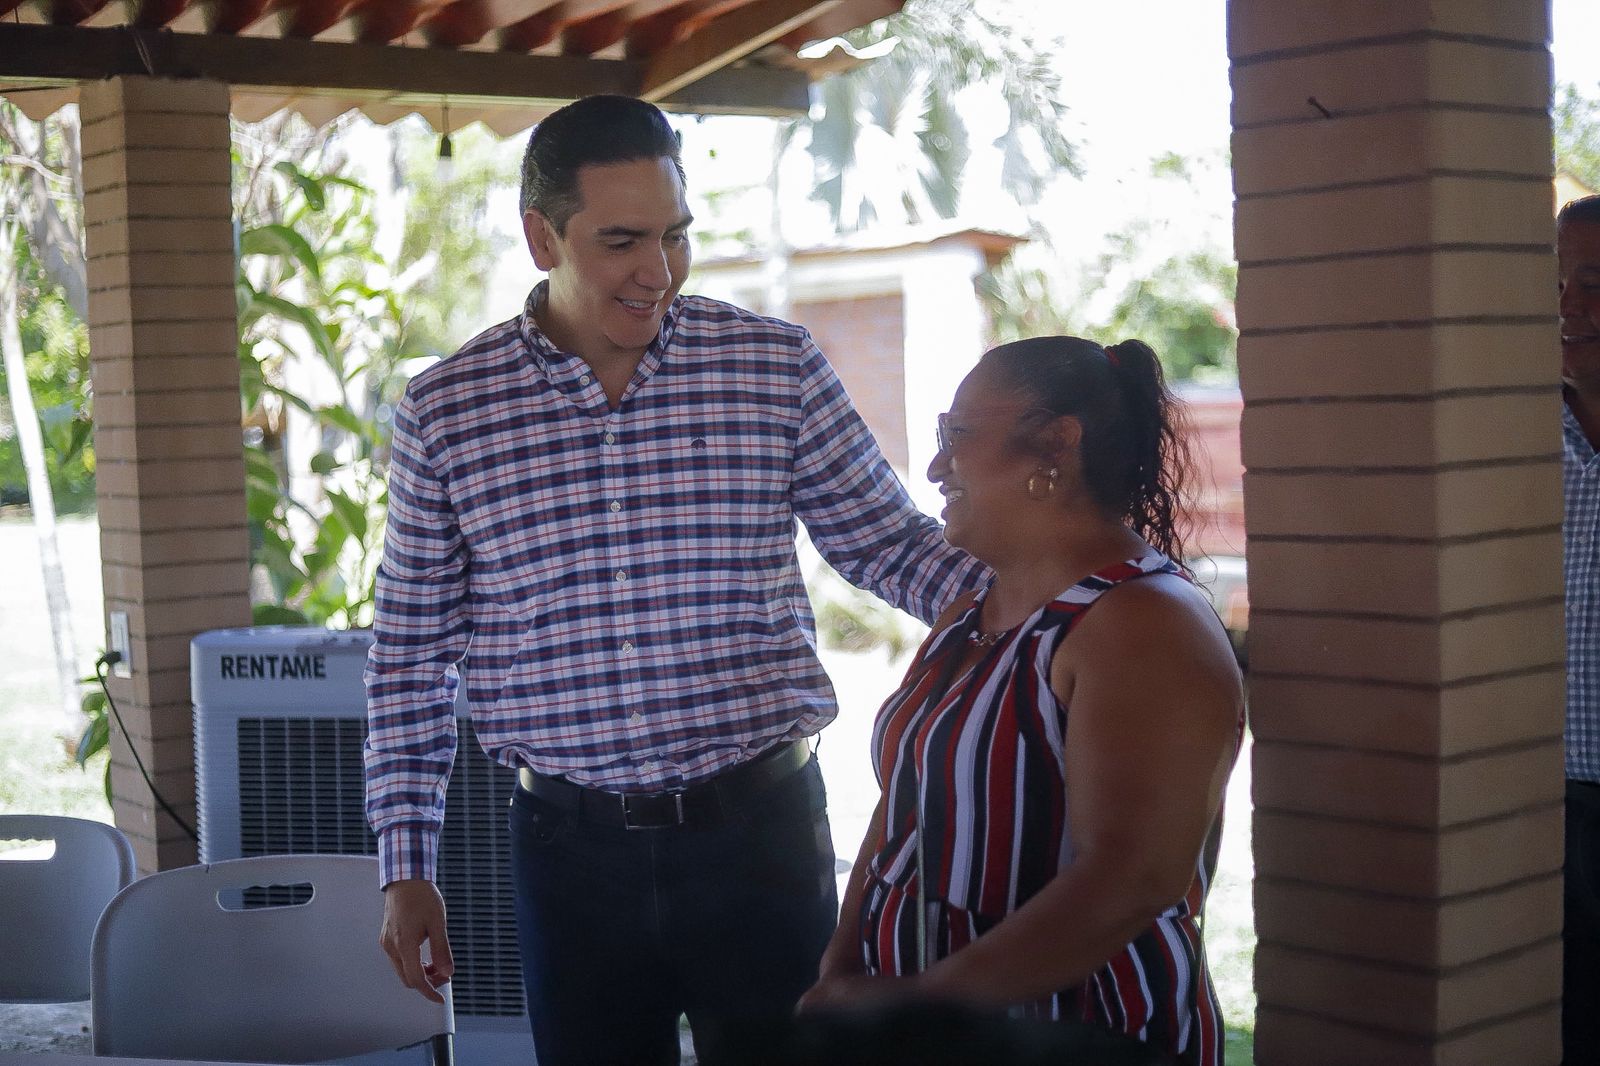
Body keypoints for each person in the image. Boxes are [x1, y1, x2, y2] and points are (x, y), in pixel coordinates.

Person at [362, 94, 983, 1066]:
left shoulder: (772, 367)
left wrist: (1080, 606)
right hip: (567, 855)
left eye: (675, 235)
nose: (657, 270)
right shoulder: (447, 411)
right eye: (621, 241)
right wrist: (406, 868)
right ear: (542, 237)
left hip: (762, 838)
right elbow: (409, 655)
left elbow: (889, 546)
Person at [798, 336, 1244, 1066]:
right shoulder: (974, 608)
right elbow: (905, 803)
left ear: (1056, 446)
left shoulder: (1143, 623)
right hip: (935, 1031)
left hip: (1079, 1036)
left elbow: (1129, 882)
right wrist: (843, 967)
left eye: (958, 435)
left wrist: (918, 1002)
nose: (937, 466)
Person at [1560, 192, 1600, 1065]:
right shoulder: (1503, 435)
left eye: (1594, 283)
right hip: (1539, 801)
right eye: (1555, 285)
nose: (1567, 308)